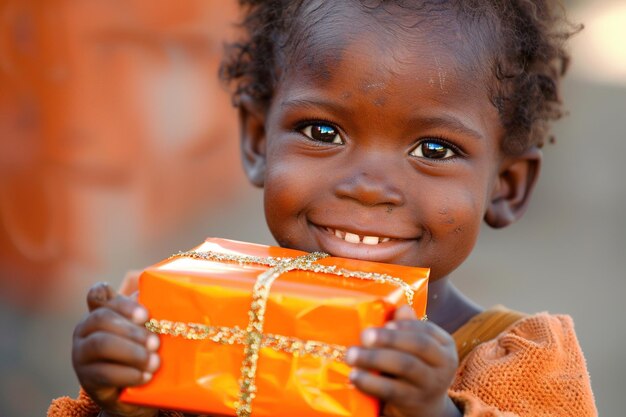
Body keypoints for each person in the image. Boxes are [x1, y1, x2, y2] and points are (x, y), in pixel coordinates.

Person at [48, 1, 597, 416]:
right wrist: (120, 398)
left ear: (506, 186)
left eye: (434, 150)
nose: (367, 187)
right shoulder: (181, 318)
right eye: (322, 131)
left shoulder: (524, 365)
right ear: (259, 140)